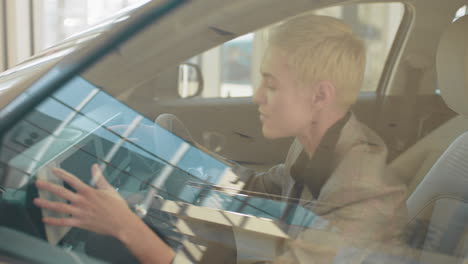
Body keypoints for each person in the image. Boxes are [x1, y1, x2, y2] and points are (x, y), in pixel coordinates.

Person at [34, 14, 408, 264]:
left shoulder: (361, 197)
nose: (258, 96)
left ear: (320, 96)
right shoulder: (324, 144)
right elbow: (261, 187)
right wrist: (179, 151)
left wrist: (124, 226)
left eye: (271, 84)